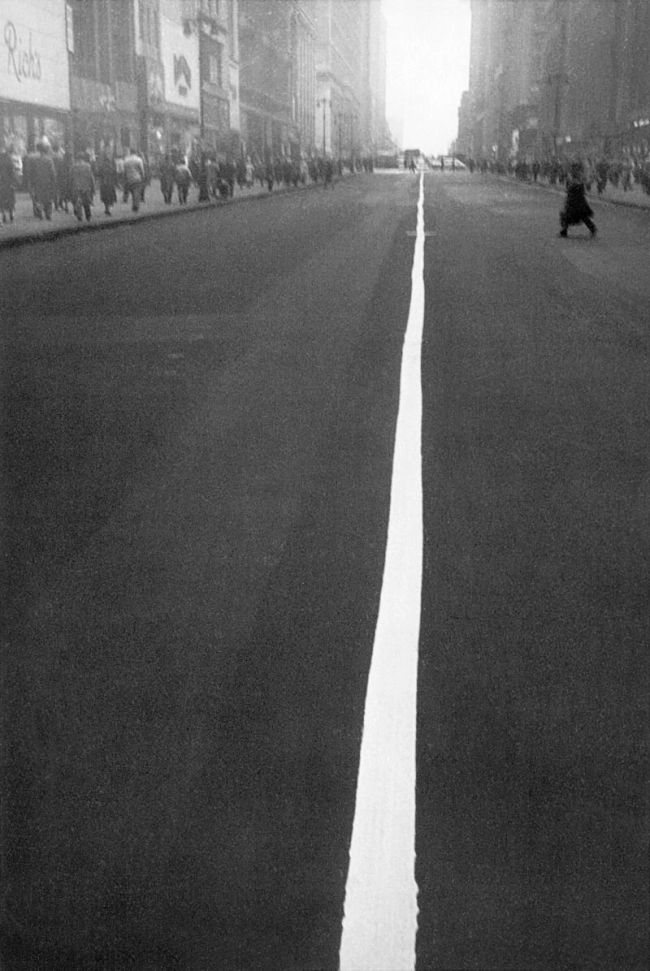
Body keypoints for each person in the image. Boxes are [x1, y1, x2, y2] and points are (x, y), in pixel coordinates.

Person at [559, 161, 597, 239]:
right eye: (573, 168)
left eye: (575, 168)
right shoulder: (571, 176)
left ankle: (592, 228)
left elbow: (585, 184)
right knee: (567, 215)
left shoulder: (580, 176)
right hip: (572, 199)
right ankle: (564, 230)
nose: (574, 170)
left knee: (582, 215)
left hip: (578, 199)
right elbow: (568, 186)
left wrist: (592, 179)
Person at [31, 140, 57, 220]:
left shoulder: (35, 161)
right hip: (48, 182)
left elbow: (33, 173)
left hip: (38, 182)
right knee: (48, 199)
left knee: (39, 198)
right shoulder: (49, 160)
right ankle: (48, 214)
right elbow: (52, 172)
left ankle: (40, 213)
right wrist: (54, 181)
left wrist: (33, 183)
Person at [71, 151, 95, 222]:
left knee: (78, 202)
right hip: (86, 186)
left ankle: (79, 216)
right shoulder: (87, 166)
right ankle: (88, 216)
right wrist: (92, 186)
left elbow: (71, 177)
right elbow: (91, 177)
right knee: (86, 202)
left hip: (76, 186)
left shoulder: (74, 166)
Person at [0, 145, 17, 223]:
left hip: (1, 183)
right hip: (8, 182)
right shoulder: (8, 158)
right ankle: (11, 215)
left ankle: (3, 215)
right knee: (10, 199)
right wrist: (13, 182)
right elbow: (12, 172)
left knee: (2, 200)